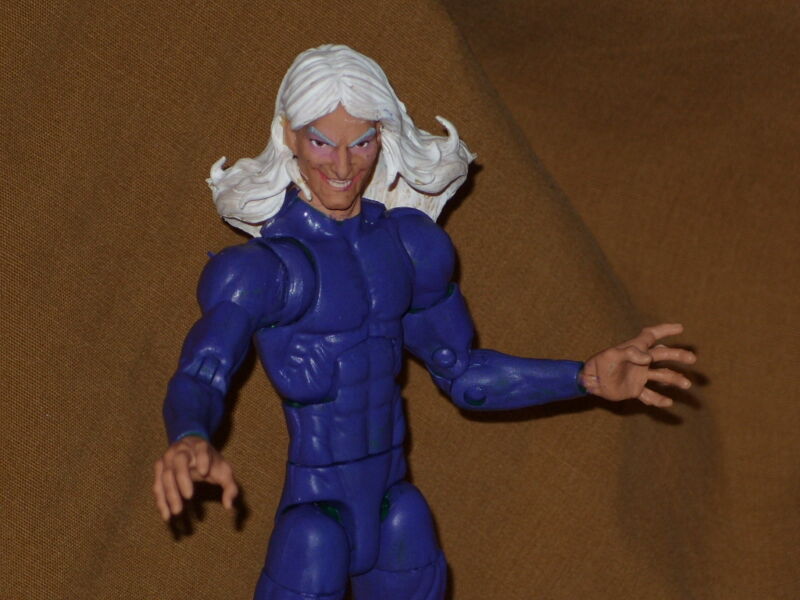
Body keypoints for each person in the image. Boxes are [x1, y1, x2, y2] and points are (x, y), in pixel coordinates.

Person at [153, 44, 696, 600]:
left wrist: (583, 377)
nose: (343, 166)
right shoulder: (263, 271)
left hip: (394, 505)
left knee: (408, 523)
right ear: (289, 135)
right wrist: (189, 436)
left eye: (361, 142)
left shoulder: (409, 247)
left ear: (382, 135)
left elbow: (464, 375)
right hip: (316, 506)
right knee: (314, 545)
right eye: (321, 142)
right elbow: (202, 372)